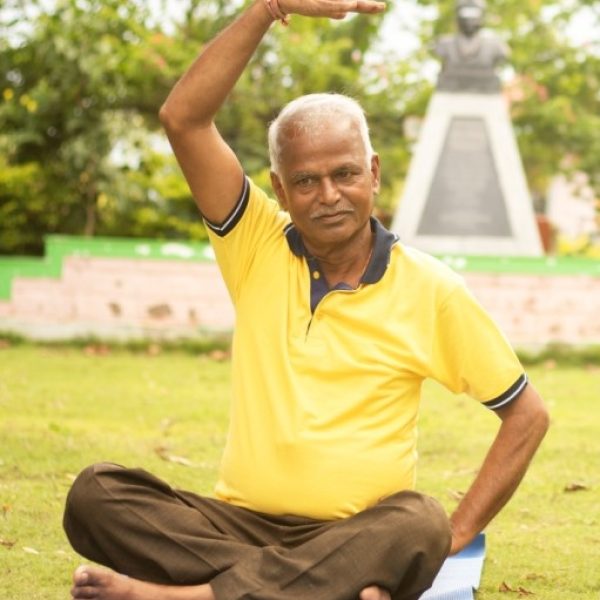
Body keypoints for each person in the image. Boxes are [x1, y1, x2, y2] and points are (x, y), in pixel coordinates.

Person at [63, 1, 550, 599]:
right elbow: (184, 119)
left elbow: (527, 415)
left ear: (373, 173)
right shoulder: (255, 242)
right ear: (279, 189)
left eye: (345, 174)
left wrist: (457, 534)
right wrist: (269, 7)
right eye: (306, 181)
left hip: (358, 531)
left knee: (418, 521)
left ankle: (187, 597)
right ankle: (324, 589)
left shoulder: (430, 287)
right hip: (236, 527)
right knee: (97, 493)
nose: (328, 196)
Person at [435, 0, 510, 93]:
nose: (469, 20)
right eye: (465, 15)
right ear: (457, 18)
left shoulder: (495, 46)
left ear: (482, 17)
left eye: (474, 15)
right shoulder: (444, 44)